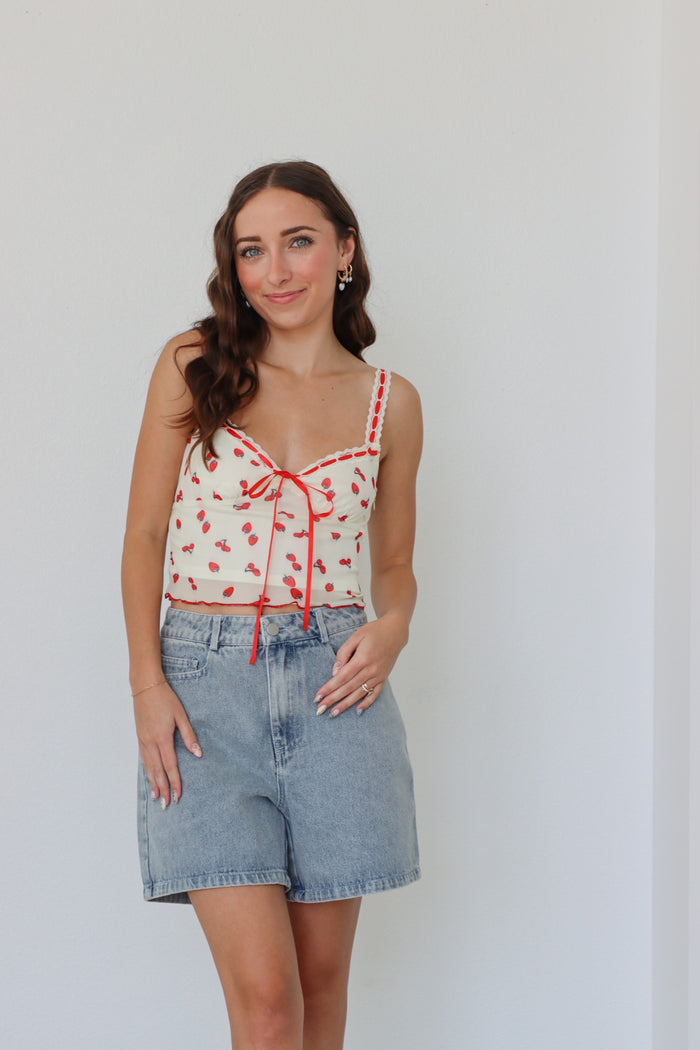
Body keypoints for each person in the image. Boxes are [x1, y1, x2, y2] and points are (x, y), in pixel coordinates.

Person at [121, 159, 422, 1050]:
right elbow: (142, 537)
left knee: (322, 996)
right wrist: (147, 683)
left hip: (340, 693)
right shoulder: (193, 364)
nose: (276, 270)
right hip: (203, 693)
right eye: (252, 250)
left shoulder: (389, 405)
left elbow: (396, 564)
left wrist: (394, 626)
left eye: (298, 242)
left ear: (344, 251)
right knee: (265, 1003)